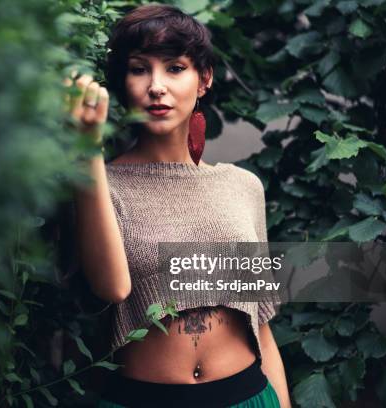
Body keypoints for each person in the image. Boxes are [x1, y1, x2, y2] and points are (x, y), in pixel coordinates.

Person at [68, 4, 291, 407]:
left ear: (203, 79)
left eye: (175, 68)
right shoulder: (103, 184)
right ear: (122, 83)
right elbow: (112, 288)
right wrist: (87, 149)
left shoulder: (243, 187)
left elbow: (260, 324)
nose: (156, 86)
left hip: (248, 396)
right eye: (139, 69)